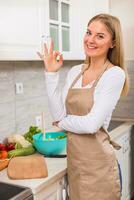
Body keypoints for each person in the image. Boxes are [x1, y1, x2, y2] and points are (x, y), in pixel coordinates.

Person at [38, 13, 129, 200]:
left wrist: (62, 123)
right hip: (76, 166)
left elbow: (91, 125)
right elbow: (58, 113)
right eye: (89, 32)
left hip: (100, 170)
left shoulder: (114, 74)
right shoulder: (75, 72)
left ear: (113, 43)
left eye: (100, 36)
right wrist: (51, 74)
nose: (90, 40)